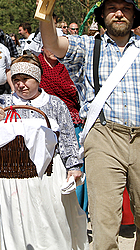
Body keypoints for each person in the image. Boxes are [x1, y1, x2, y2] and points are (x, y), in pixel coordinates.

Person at [39, 0, 140, 250]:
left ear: (134, 17)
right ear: (102, 16)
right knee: (104, 224)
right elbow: (52, 42)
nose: (119, 14)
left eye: (125, 9)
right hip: (103, 138)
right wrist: (45, 10)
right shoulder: (89, 47)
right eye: (112, 9)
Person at [0, 54, 88, 250]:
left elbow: (68, 137)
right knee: (19, 223)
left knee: (54, 221)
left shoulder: (55, 104)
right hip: (15, 176)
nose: (20, 85)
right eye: (16, 80)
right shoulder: (3, 103)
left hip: (49, 173)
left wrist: (74, 167)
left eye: (26, 79)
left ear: (38, 79)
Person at [39, 46, 88, 212]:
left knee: (76, 162)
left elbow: (76, 89)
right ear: (42, 47)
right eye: (49, 46)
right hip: (45, 121)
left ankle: (80, 208)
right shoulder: (37, 65)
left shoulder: (69, 64)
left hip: (73, 117)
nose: (53, 50)